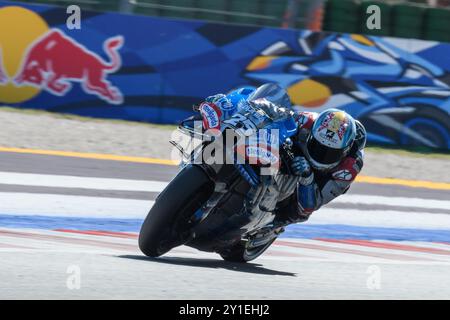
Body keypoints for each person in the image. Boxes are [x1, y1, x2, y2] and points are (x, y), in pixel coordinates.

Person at [201, 84, 367, 225]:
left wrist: (308, 177)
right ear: (313, 133)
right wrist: (261, 106)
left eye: (330, 153)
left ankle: (272, 226)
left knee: (298, 212)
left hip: (316, 179)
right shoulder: (306, 121)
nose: (322, 154)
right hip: (292, 153)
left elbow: (310, 204)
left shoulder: (348, 169)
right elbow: (281, 115)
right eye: (318, 146)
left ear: (344, 151)